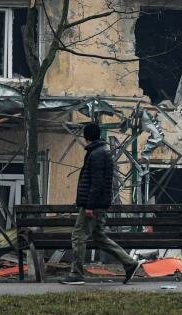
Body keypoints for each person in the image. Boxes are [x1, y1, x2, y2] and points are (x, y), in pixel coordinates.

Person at [60, 122, 143, 285]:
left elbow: (96, 183)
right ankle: (130, 263)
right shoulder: (99, 152)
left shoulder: (97, 154)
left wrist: (89, 206)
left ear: (86, 136)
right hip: (99, 204)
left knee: (78, 236)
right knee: (99, 237)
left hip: (94, 205)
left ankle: (76, 274)